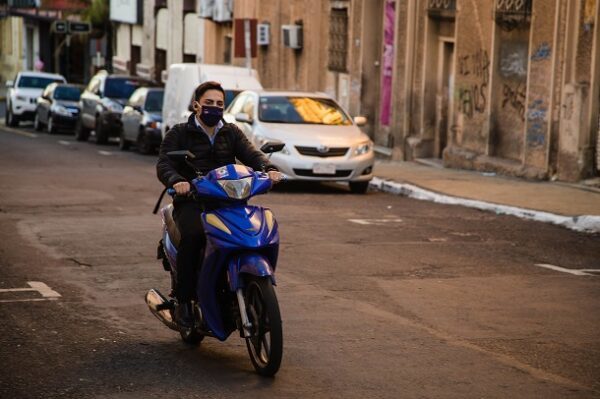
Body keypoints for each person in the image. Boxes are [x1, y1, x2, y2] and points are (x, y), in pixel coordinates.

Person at [156, 81, 282, 328]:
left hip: (228, 201)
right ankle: (184, 302)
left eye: (219, 104)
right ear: (196, 105)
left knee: (251, 230)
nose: (214, 108)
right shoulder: (180, 133)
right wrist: (178, 181)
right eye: (208, 103)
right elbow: (164, 164)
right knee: (194, 236)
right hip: (192, 202)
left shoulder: (231, 132)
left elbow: (251, 154)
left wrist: (269, 169)